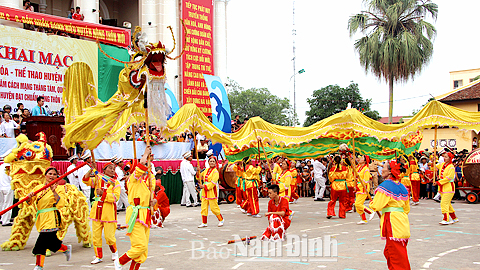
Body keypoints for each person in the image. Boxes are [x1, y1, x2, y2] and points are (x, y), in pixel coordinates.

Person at [114, 146, 156, 270]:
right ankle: (120, 261)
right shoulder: (133, 179)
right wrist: (145, 154)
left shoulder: (148, 181)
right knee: (140, 246)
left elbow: (150, 197)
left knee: (143, 252)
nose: (146, 168)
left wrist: (152, 202)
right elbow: (140, 167)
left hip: (145, 214)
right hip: (136, 215)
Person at [27, 167, 72, 270]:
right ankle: (65, 248)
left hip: (52, 216)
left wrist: (54, 192)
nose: (52, 176)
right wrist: (29, 198)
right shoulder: (38, 188)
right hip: (41, 217)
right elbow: (31, 201)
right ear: (45, 175)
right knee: (51, 242)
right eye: (50, 173)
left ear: (57, 176)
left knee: (41, 242)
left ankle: (39, 265)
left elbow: (61, 203)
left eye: (54, 174)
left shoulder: (59, 188)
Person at [369, 160, 411, 270]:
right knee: (392, 251)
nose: (381, 169)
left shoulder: (386, 185)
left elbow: (377, 205)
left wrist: (371, 203)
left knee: (395, 255)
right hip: (402, 220)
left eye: (384, 167)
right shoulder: (402, 186)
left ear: (390, 171)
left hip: (392, 222)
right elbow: (406, 209)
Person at [82, 161, 121, 264]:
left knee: (109, 236)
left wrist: (103, 193)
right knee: (96, 236)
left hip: (108, 212)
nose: (112, 170)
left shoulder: (115, 183)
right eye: (110, 168)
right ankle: (98, 256)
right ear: (104, 169)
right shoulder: (98, 179)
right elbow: (85, 180)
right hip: (96, 212)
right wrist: (91, 169)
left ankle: (114, 252)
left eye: (113, 168)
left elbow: (115, 197)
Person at [198, 156, 224, 228]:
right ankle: (204, 222)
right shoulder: (206, 170)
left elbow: (213, 182)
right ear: (208, 162)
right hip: (204, 192)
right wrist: (198, 171)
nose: (212, 163)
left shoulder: (215, 172)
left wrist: (204, 187)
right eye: (210, 161)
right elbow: (199, 177)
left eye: (213, 161)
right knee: (203, 207)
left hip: (211, 191)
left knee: (213, 207)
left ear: (215, 163)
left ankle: (221, 220)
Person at [434, 152, 458, 225]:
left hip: (449, 187)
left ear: (450, 158)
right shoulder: (442, 165)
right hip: (443, 187)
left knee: (444, 203)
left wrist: (438, 182)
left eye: (447, 157)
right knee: (447, 203)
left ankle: (445, 219)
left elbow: (449, 178)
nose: (445, 158)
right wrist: (433, 160)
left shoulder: (451, 167)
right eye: (444, 156)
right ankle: (454, 218)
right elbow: (435, 166)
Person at [354, 155, 372, 224]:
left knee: (358, 204)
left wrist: (359, 186)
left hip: (363, 188)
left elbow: (366, 180)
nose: (360, 159)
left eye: (362, 158)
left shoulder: (366, 169)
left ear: (364, 160)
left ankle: (370, 212)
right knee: (357, 205)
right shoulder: (359, 167)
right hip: (358, 187)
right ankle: (363, 219)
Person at [0, 162, 13, 226]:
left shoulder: (1, 166)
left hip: (1, 187)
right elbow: (11, 178)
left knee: (1, 204)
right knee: (8, 204)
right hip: (8, 187)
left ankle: (2, 218)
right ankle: (5, 221)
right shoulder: (10, 167)